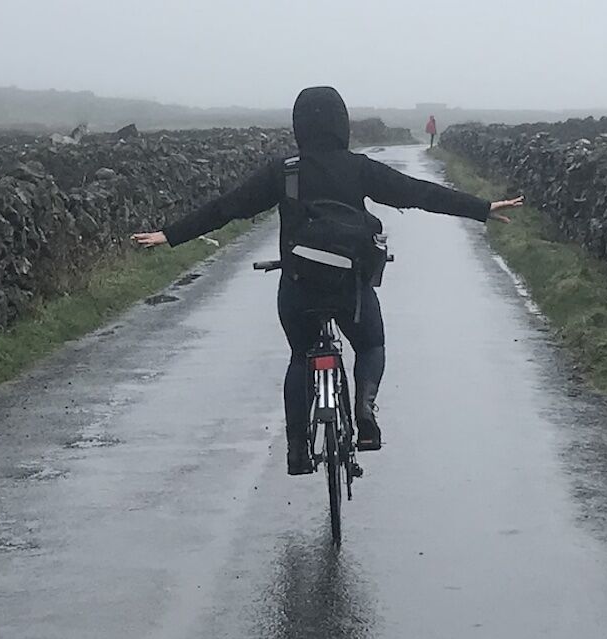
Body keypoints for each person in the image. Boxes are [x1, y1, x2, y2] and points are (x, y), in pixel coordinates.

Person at [132, 86, 522, 476]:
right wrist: (481, 208)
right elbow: (417, 193)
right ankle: (365, 408)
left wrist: (171, 234)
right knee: (370, 345)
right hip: (349, 288)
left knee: (300, 356)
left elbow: (225, 208)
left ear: (299, 125)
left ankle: (298, 449)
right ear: (342, 123)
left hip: (299, 287)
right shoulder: (359, 168)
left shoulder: (284, 172)